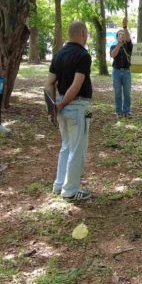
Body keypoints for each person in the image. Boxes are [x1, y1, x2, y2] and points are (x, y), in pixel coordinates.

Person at [45, 21, 93, 202]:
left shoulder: (58, 55)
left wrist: (53, 108)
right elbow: (77, 84)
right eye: (86, 34)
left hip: (62, 108)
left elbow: (49, 83)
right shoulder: (83, 55)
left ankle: (59, 185)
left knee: (66, 146)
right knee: (77, 149)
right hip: (78, 107)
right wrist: (62, 104)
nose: (87, 36)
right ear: (82, 34)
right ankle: (70, 190)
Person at [110, 17, 133, 118]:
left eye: (123, 34)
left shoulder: (129, 46)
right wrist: (119, 45)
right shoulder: (113, 46)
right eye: (119, 34)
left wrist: (125, 27)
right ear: (117, 37)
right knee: (118, 93)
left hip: (127, 72)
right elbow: (112, 55)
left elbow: (128, 38)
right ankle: (118, 112)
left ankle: (127, 111)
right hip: (116, 72)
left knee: (127, 93)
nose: (121, 35)